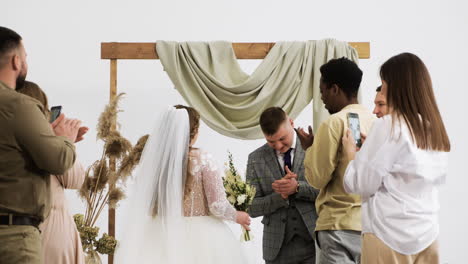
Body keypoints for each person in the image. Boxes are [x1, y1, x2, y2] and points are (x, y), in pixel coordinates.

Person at [342, 52, 450, 264]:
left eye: (383, 84)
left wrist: (352, 156)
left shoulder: (388, 126)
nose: (381, 89)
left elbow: (359, 184)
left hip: (388, 235)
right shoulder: (433, 129)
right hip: (428, 235)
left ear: (398, 86)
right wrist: (370, 151)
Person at [114, 105, 252, 264]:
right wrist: (237, 216)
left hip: (161, 232)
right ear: (193, 132)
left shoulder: (156, 162)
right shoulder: (203, 159)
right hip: (202, 237)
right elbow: (217, 205)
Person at [0, 26, 79, 264]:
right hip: (13, 237)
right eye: (25, 57)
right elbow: (57, 160)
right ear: (16, 61)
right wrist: (64, 138)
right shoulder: (18, 105)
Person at [297, 57, 375, 264]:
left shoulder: (333, 123)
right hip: (371, 227)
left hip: (337, 226)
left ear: (335, 89)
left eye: (322, 91)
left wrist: (310, 149)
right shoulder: (378, 122)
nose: (322, 98)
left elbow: (316, 179)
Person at [17, 81, 87, 264]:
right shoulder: (41, 140)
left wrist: (65, 144)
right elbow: (75, 178)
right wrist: (63, 142)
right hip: (49, 236)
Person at [246, 107, 319, 264]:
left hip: (315, 243)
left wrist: (297, 187)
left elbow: (328, 191)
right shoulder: (255, 159)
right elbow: (251, 208)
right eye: (271, 142)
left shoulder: (314, 147)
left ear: (291, 123)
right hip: (277, 250)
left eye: (282, 139)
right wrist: (280, 196)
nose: (278, 146)